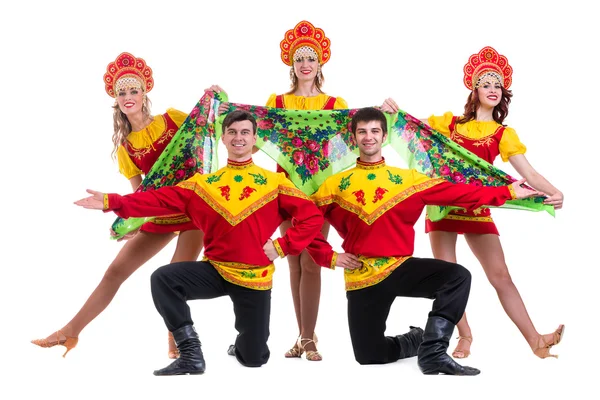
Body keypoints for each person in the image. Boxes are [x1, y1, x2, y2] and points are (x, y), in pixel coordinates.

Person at [73, 110, 362, 375]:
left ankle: (244, 343)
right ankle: (191, 353)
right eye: (233, 132)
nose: (239, 138)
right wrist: (111, 201)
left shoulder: (275, 184)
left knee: (254, 358)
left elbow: (311, 217)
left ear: (254, 139)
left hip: (254, 279)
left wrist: (282, 246)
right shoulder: (203, 185)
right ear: (223, 138)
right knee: (163, 279)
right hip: (214, 272)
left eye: (245, 133)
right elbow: (157, 198)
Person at [306, 107, 544, 375]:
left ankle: (433, 351)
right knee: (369, 356)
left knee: (457, 277)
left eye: (375, 131)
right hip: (361, 275)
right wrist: (331, 256)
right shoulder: (334, 185)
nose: (368, 137)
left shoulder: (408, 180)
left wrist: (508, 191)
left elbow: (460, 194)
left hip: (400, 268)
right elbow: (304, 222)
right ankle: (415, 340)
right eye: (362, 131)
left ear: (384, 136)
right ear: (354, 138)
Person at [382, 46, 565, 359]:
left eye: (498, 85)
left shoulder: (502, 134)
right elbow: (411, 127)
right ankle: (464, 336)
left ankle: (536, 340)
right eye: (486, 83)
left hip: (476, 207)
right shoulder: (449, 124)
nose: (493, 89)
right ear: (475, 90)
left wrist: (555, 190)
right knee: (448, 277)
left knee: (500, 275)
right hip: (442, 205)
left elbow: (527, 171)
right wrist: (390, 111)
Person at [31, 52, 207, 359]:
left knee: (173, 278)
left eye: (133, 90)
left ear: (144, 93)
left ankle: (176, 339)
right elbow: (142, 195)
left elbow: (205, 131)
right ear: (116, 99)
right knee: (115, 271)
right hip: (163, 213)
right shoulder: (127, 148)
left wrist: (213, 98)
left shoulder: (173, 119)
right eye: (122, 92)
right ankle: (70, 332)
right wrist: (132, 221)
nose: (128, 96)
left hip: (194, 211)